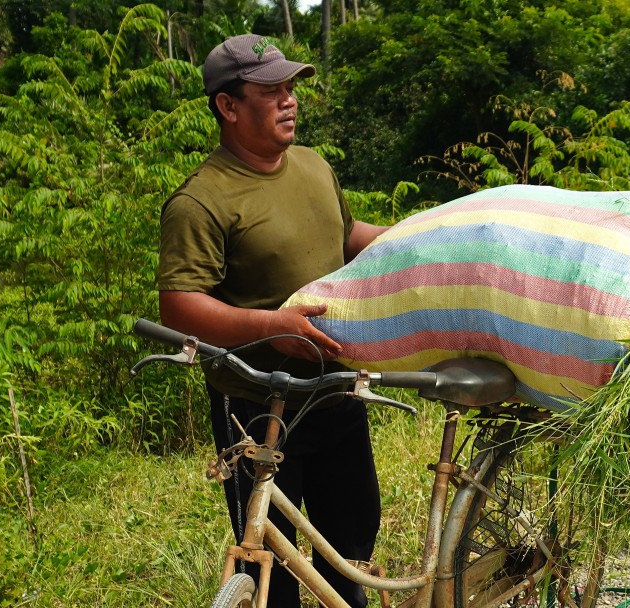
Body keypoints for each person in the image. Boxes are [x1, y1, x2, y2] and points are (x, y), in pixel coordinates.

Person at [157, 34, 388, 607]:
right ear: (228, 106)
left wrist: (419, 237)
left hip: (336, 389)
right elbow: (180, 305)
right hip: (258, 406)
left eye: (290, 87)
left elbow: (347, 238)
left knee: (350, 548)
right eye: (271, 91)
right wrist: (270, 326)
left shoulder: (312, 165)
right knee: (269, 562)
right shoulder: (201, 201)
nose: (290, 100)